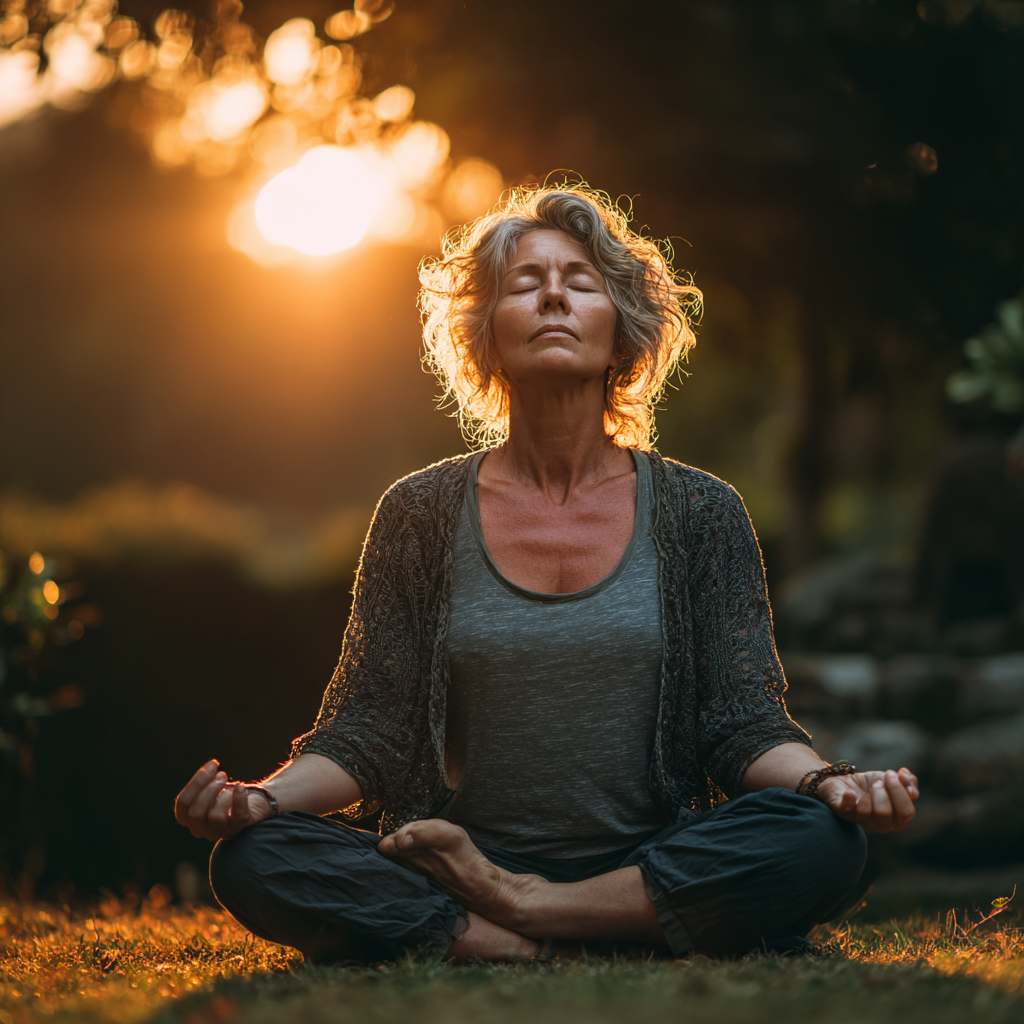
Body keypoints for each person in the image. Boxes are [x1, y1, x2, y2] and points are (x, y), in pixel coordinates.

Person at [175, 187, 919, 964]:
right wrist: (258, 800)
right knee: (257, 859)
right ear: (487, 337)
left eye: (581, 281)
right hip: (461, 859)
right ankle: (592, 931)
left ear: (621, 331)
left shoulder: (702, 511)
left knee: (823, 839)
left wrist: (830, 784)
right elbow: (368, 731)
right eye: (525, 283)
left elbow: (742, 722)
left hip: (650, 855)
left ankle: (521, 922)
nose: (555, 294)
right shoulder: (419, 513)